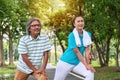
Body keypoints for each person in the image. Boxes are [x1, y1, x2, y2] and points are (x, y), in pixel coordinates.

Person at [54, 15, 96, 80]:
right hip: (65, 63)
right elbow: (77, 51)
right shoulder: (72, 35)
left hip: (77, 63)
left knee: (90, 72)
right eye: (78, 21)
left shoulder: (88, 34)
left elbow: (87, 50)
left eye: (82, 21)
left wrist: (88, 64)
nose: (80, 23)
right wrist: (86, 64)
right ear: (74, 24)